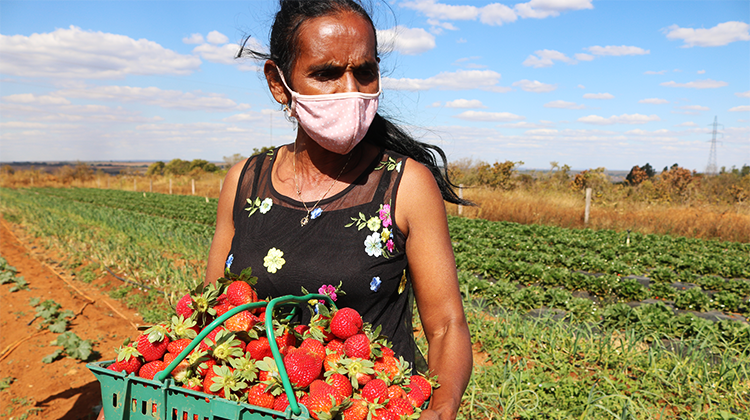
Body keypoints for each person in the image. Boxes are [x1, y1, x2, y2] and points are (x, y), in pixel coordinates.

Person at [204, 0, 472, 418]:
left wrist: (442, 407)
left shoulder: (404, 185)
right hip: (259, 406)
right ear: (278, 82)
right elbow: (216, 310)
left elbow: (446, 327)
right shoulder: (244, 182)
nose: (351, 90)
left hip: (372, 405)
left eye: (364, 71)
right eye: (326, 73)